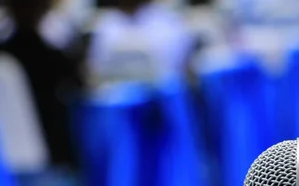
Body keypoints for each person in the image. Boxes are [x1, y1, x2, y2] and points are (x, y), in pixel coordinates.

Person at [0, 0, 82, 169]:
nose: (27, 10)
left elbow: (79, 87)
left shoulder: (55, 58)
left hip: (52, 153)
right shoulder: (6, 60)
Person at [89, 0, 196, 83]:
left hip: (159, 96)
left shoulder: (168, 21)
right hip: (117, 96)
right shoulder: (107, 23)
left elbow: (174, 69)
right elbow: (97, 68)